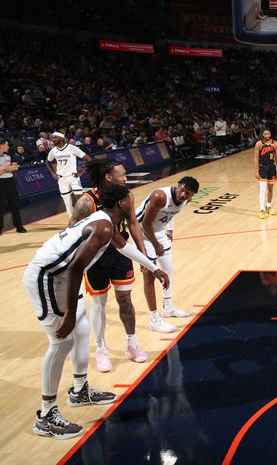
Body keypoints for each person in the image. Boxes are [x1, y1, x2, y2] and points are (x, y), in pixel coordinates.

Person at [24, 184, 168, 439]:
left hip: (59, 276)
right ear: (121, 203)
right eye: (130, 198)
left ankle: (79, 392)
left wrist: (153, 267)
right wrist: (68, 312)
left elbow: (124, 247)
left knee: (82, 331)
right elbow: (76, 268)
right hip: (45, 277)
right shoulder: (102, 226)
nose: (134, 202)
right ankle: (46, 417)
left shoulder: (106, 222)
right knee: (61, 341)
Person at [70, 160, 153, 372]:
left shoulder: (126, 195)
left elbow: (133, 223)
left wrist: (142, 254)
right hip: (96, 256)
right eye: (122, 174)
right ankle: (100, 348)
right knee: (99, 303)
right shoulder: (86, 203)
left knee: (125, 299)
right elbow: (71, 232)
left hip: (121, 250)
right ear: (108, 177)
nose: (126, 178)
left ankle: (132, 343)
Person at [135, 176, 200, 333]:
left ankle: (168, 308)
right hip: (142, 232)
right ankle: (154, 319)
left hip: (158, 231)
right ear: (178, 185)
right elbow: (144, 223)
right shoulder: (160, 196)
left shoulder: (185, 199)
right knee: (150, 274)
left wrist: (169, 229)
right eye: (183, 190)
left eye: (188, 194)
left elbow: (172, 213)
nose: (184, 195)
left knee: (168, 269)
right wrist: (156, 244)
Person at [46, 132, 91, 218]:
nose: (53, 140)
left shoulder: (72, 148)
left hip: (73, 177)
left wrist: (81, 172)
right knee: (67, 202)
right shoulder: (53, 150)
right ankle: (72, 221)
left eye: (55, 137)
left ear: (61, 138)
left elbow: (88, 159)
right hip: (62, 179)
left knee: (80, 200)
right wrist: (53, 173)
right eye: (52, 138)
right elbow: (47, 161)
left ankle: (84, 218)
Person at [0, 138, 26, 234]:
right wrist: (8, 168)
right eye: (6, 145)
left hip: (10, 181)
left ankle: (19, 226)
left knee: (15, 205)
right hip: (1, 183)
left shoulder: (8, 156)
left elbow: (14, 168)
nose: (8, 146)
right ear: (1, 146)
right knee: (1, 207)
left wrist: (5, 169)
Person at [253, 129, 277, 218]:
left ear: (270, 134)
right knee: (262, 188)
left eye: (268, 133)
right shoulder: (259, 144)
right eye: (265, 134)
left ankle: (268, 207)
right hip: (263, 168)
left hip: (272, 167)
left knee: (270, 188)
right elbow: (256, 158)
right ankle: (262, 210)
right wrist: (256, 171)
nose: (267, 135)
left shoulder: (275, 143)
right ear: (263, 135)